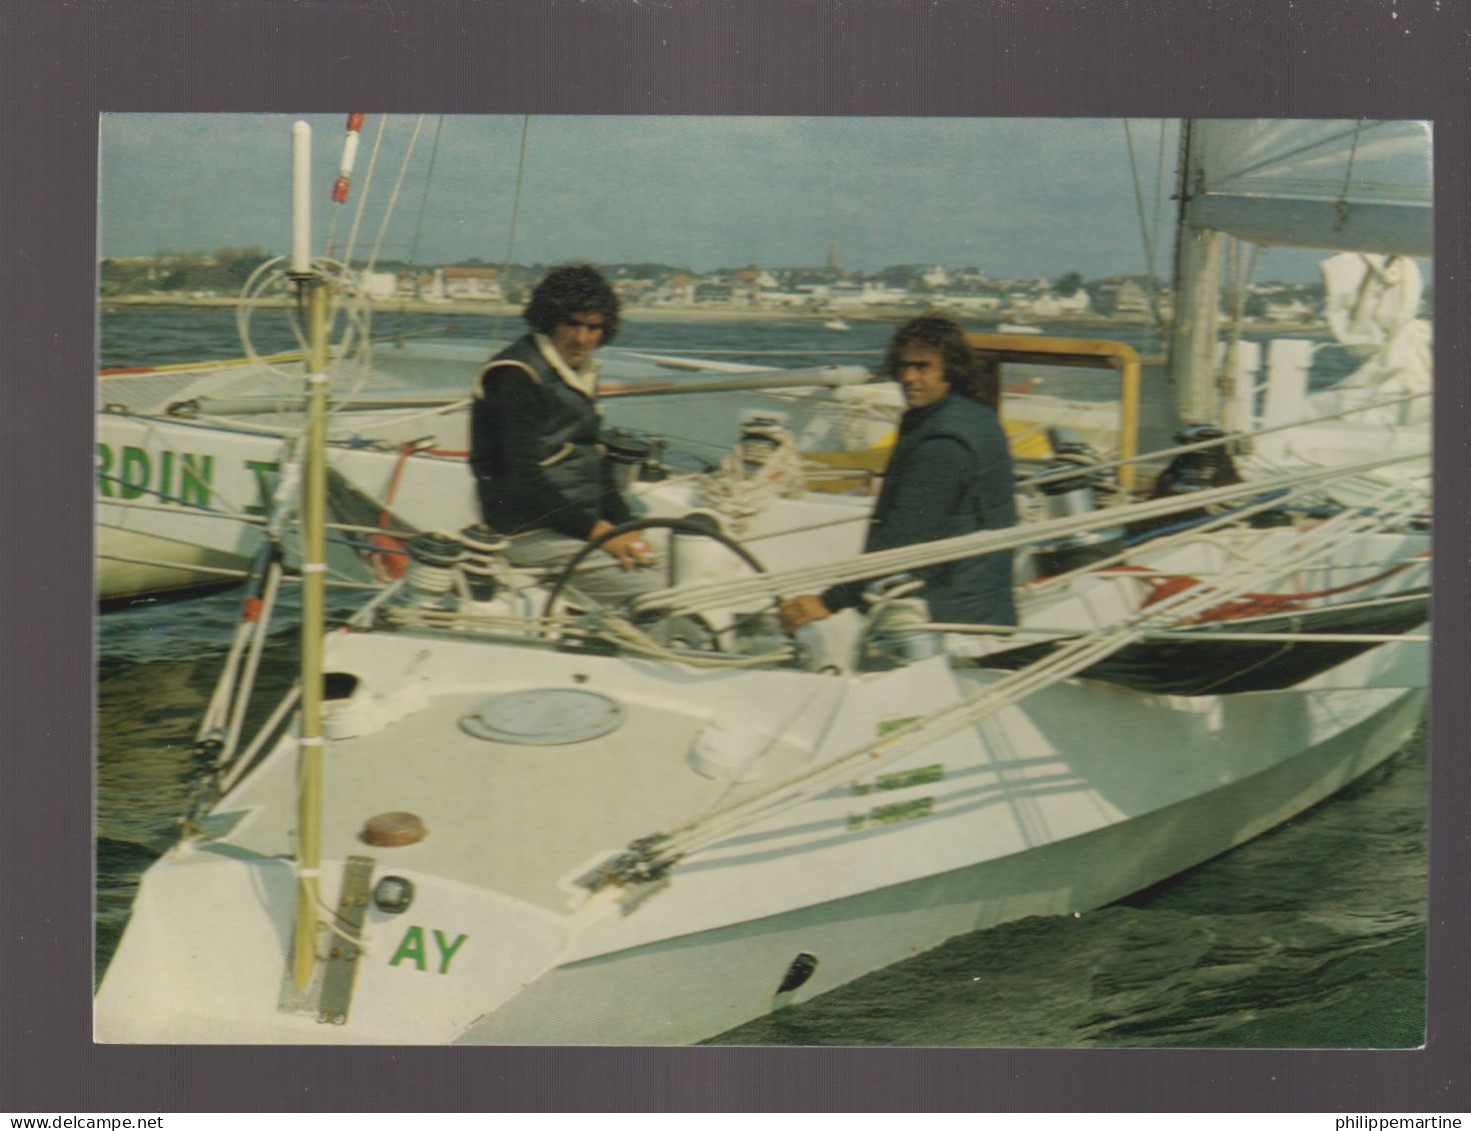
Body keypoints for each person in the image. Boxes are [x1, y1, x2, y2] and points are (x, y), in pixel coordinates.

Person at [778, 313, 1017, 632]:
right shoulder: (975, 415)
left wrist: (828, 602)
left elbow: (901, 540)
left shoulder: (942, 445)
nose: (908, 377)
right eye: (903, 366)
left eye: (922, 367)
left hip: (951, 618)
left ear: (950, 370)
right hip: (985, 604)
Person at [470, 264, 661, 605]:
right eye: (572, 323)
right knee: (652, 589)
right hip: (525, 529)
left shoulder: (573, 371)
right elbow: (520, 481)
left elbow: (592, 460)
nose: (582, 338)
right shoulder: (516, 375)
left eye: (593, 327)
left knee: (673, 560)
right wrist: (601, 534)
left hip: (573, 522)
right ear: (550, 318)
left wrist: (624, 524)